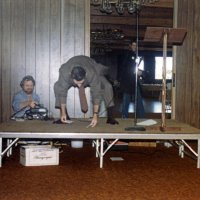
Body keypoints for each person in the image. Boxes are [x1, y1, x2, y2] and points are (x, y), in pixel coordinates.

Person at [54, 55, 119, 127]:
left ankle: (110, 117)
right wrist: (63, 113)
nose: (79, 85)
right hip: (71, 73)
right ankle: (65, 116)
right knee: (57, 86)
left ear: (85, 75)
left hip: (91, 67)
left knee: (107, 86)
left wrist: (95, 115)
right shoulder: (64, 72)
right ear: (71, 76)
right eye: (77, 83)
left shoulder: (92, 72)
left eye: (81, 83)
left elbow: (96, 94)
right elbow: (62, 93)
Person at [119, 41, 145, 118]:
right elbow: (126, 67)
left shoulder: (135, 55)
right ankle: (125, 116)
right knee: (126, 99)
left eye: (136, 45)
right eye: (133, 45)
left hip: (133, 80)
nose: (135, 47)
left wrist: (138, 71)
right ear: (130, 46)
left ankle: (141, 116)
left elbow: (133, 67)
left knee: (138, 99)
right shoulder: (128, 54)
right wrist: (136, 72)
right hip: (127, 81)